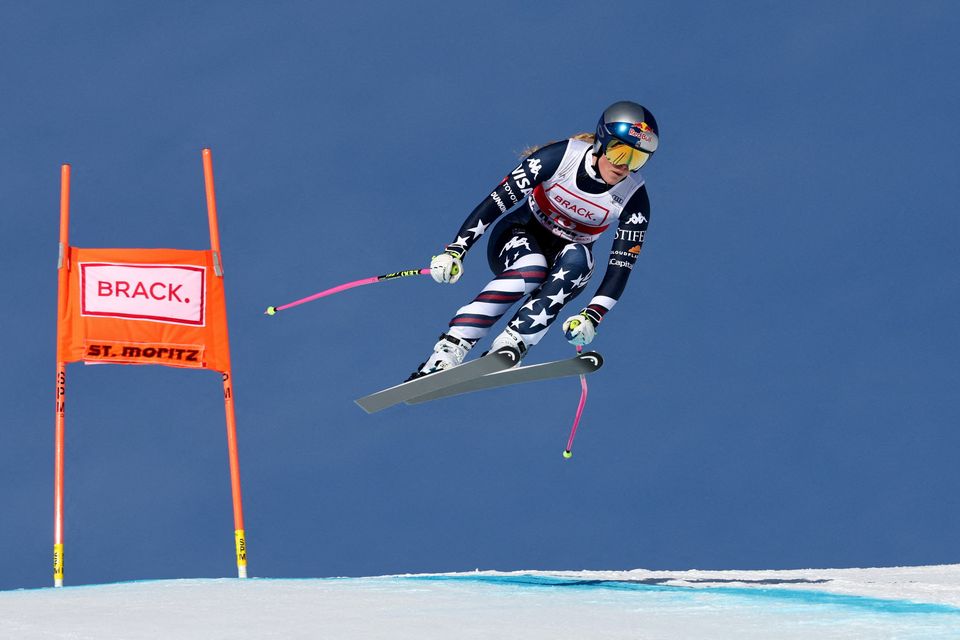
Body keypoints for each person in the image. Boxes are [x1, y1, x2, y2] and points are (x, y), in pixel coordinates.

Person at [412, 101, 658, 378]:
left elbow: (621, 266)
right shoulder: (560, 157)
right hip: (518, 234)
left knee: (580, 258)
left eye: (637, 158)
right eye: (620, 151)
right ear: (602, 142)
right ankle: (450, 348)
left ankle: (513, 343)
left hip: (566, 264)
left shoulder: (634, 197)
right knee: (532, 265)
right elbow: (496, 203)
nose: (624, 165)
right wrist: (457, 249)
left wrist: (592, 316)